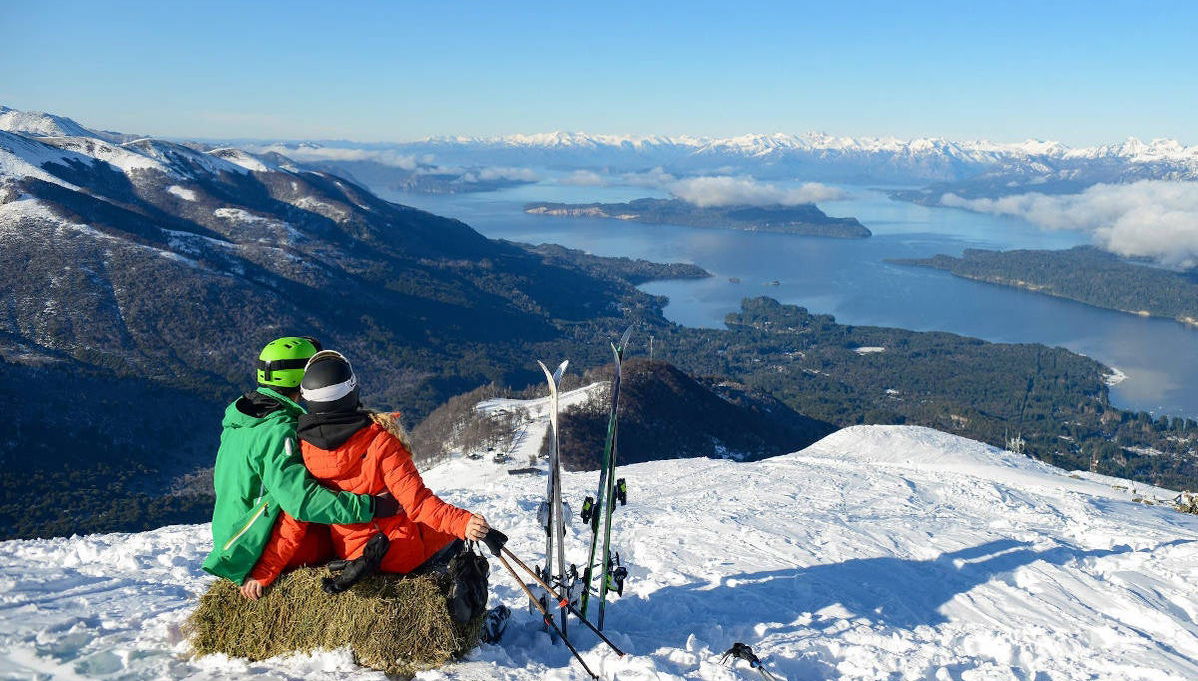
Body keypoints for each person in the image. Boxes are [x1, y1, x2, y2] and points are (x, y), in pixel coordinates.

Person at [243, 350, 489, 595]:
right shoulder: (380, 442)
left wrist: (264, 571)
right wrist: (464, 523)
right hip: (398, 553)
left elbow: (295, 515)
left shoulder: (302, 449)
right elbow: (418, 504)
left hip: (353, 554)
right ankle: (455, 604)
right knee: (453, 538)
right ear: (352, 393)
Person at [202, 337, 399, 596]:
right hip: (254, 545)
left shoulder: (242, 418)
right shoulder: (280, 431)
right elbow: (301, 502)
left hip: (233, 534)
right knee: (357, 535)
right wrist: (370, 506)